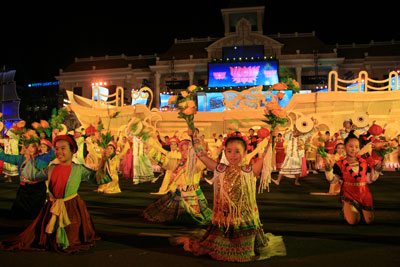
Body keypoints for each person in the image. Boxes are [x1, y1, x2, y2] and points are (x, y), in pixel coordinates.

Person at [171, 131, 286, 262]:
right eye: (229, 151)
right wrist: (193, 136)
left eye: (237, 151)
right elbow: (201, 155)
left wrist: (271, 137)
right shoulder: (220, 168)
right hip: (224, 216)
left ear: (244, 153)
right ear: (225, 152)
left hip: (244, 216)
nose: (233, 155)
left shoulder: (249, 170)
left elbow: (265, 156)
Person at [0, 134, 111, 253]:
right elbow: (32, 176)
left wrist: (104, 160)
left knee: (72, 235)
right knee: (45, 235)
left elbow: (99, 179)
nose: (59, 152)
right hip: (52, 207)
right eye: (57, 149)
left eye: (63, 148)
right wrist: (30, 158)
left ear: (72, 150)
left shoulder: (79, 169)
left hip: (72, 207)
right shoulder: (51, 168)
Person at [143, 139, 212, 225]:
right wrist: (150, 149)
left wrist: (198, 148)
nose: (185, 152)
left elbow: (200, 165)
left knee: (196, 218)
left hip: (194, 194)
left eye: (187, 149)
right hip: (180, 193)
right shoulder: (180, 163)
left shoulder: (198, 162)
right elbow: (165, 162)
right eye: (182, 150)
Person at [324, 131, 381, 225]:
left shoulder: (364, 162)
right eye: (350, 146)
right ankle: (347, 209)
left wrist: (377, 170)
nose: (353, 149)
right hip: (349, 194)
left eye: (356, 147)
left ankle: (357, 209)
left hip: (364, 193)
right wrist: (328, 170)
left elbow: (369, 179)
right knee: (353, 221)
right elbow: (333, 180)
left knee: (369, 221)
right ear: (345, 147)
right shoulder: (339, 164)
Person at [0, 135, 55, 219]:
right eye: (33, 146)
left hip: (38, 191)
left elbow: (54, 151)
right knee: (18, 216)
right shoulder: (20, 159)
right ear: (27, 147)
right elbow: (4, 156)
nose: (36, 148)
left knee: (35, 216)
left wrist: (54, 134)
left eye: (37, 145)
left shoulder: (42, 158)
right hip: (24, 190)